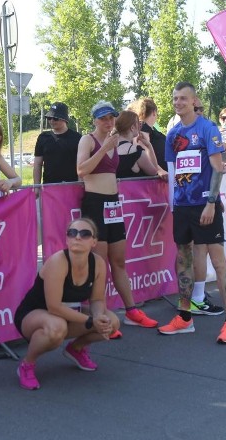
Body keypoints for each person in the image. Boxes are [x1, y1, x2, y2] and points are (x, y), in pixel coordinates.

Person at [162, 82, 226, 343]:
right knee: (183, 259)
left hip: (205, 204)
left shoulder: (207, 128)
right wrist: (174, 204)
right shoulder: (172, 135)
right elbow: (173, 172)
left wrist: (211, 202)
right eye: (175, 98)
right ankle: (185, 318)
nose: (178, 102)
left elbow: (218, 168)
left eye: (183, 98)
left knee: (218, 262)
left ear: (194, 101)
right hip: (182, 206)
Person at [77, 100, 157, 332]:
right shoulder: (87, 140)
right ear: (94, 120)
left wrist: (146, 150)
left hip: (113, 205)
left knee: (119, 262)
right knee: (99, 265)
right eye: (103, 118)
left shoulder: (115, 143)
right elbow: (81, 170)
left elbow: (138, 166)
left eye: (111, 117)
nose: (108, 122)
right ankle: (100, 318)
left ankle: (131, 310)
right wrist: (103, 149)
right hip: (94, 204)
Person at [13, 218, 119, 390]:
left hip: (69, 314)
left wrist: (99, 316)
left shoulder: (98, 263)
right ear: (67, 239)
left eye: (84, 234)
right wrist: (91, 321)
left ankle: (76, 349)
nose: (77, 237)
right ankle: (27, 365)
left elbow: (97, 300)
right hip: (34, 315)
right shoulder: (57, 262)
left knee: (112, 322)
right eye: (72, 233)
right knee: (57, 327)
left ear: (94, 242)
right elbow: (54, 307)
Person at [32, 102, 82, 185]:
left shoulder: (77, 138)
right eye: (49, 118)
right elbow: (37, 164)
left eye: (55, 118)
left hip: (71, 186)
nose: (51, 121)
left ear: (65, 119)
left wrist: (80, 184)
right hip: (49, 187)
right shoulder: (43, 137)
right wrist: (37, 186)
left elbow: (81, 164)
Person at [114, 110, 167, 180]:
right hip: (133, 190)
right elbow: (154, 171)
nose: (140, 126)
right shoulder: (136, 151)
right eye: (138, 123)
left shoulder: (110, 149)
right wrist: (149, 147)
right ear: (132, 128)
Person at [127, 97, 167, 170]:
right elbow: (142, 152)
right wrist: (159, 170)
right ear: (154, 112)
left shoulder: (148, 129)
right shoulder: (142, 128)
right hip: (154, 177)